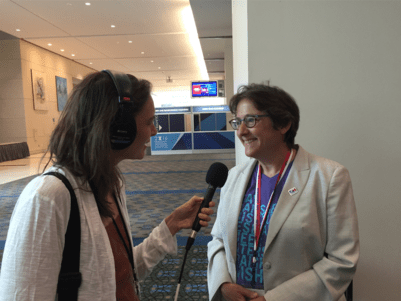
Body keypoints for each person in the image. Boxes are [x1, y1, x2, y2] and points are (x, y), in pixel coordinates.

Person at [0, 70, 215, 300]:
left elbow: (121, 274)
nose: (154, 131)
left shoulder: (111, 184)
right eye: (149, 122)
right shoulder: (46, 198)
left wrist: (171, 224)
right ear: (118, 126)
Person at [207, 84, 359, 301]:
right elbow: (218, 240)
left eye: (251, 121)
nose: (241, 131)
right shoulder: (234, 177)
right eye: (238, 122)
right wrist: (222, 284)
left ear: (284, 124)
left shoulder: (329, 177)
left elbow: (341, 261)